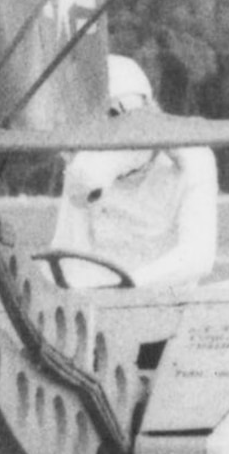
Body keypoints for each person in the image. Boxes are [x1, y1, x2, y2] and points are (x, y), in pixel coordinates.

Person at [48, 55, 218, 289]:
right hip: (99, 303)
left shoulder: (194, 157)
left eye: (118, 115)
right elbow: (69, 253)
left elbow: (198, 258)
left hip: (169, 303)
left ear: (150, 110)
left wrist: (128, 287)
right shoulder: (85, 171)